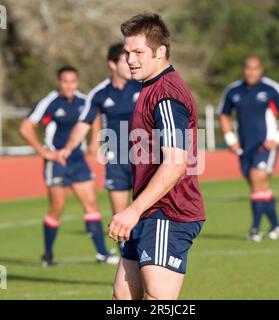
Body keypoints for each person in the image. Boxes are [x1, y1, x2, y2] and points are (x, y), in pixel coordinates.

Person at [57, 13, 206, 300]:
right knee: (123, 297)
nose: (131, 60)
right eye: (128, 53)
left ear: (160, 52)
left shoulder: (166, 95)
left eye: (138, 52)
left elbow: (176, 163)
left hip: (168, 212)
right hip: (149, 211)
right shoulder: (148, 88)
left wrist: (133, 210)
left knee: (157, 298)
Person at [19, 66, 119, 266]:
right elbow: (25, 127)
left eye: (73, 81)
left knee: (91, 204)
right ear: (59, 82)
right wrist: (44, 152)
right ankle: (48, 256)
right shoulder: (49, 102)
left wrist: (94, 142)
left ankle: (102, 254)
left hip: (77, 160)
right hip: (57, 162)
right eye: (65, 81)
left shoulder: (84, 101)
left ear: (77, 82)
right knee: (57, 207)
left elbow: (95, 117)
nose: (69, 85)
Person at [218, 55, 279, 242]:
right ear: (243, 69)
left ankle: (254, 229)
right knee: (258, 186)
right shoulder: (233, 90)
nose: (251, 72)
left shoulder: (271, 88)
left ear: (261, 69)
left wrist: (277, 138)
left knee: (257, 177)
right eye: (248, 68)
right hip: (245, 147)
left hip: (266, 144)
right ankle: (276, 226)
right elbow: (224, 115)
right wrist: (230, 139)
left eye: (255, 68)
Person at [80, 43, 141, 253]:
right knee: (120, 216)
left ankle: (148, 256)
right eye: (126, 60)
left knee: (147, 212)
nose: (132, 63)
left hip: (145, 158)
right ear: (112, 64)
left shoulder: (142, 85)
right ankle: (127, 260)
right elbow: (85, 122)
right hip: (116, 160)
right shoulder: (99, 93)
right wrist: (70, 147)